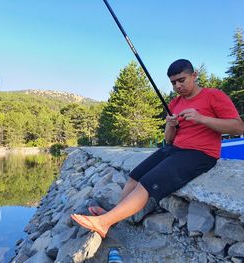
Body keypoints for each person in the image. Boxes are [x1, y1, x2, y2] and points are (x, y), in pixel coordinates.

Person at [71, 59, 244, 238]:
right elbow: (169, 140)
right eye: (173, 82)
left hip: (201, 154)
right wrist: (170, 125)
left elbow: (238, 127)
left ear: (194, 75)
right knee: (134, 176)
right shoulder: (175, 103)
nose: (177, 86)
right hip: (175, 149)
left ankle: (104, 223)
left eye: (181, 80)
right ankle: (112, 217)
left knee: (147, 183)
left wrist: (201, 118)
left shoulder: (214, 95)